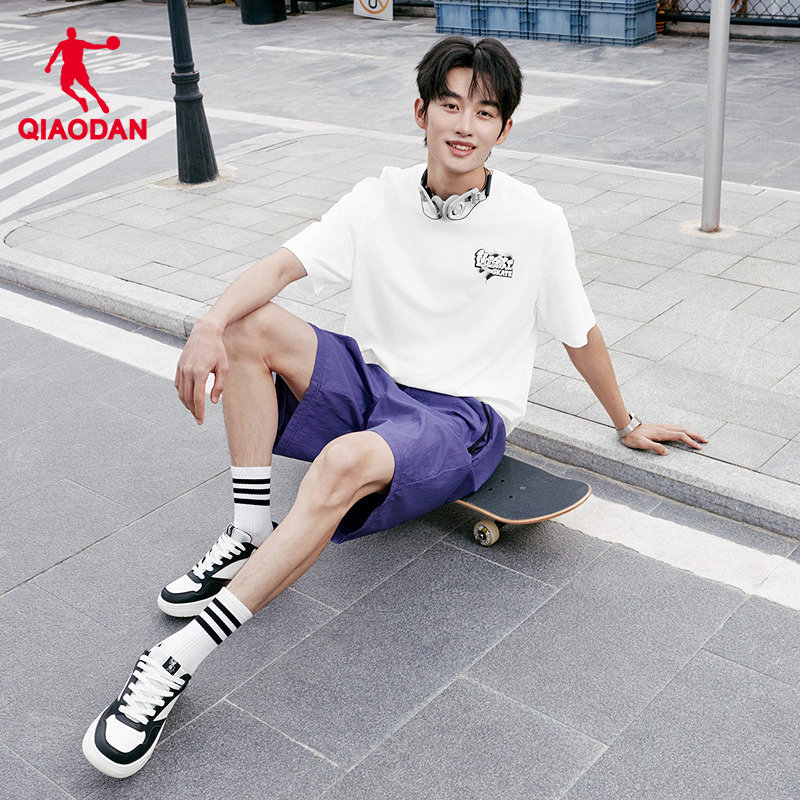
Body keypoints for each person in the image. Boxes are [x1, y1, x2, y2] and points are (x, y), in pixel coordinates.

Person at [82, 35, 706, 778]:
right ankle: (250, 529)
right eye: (451, 104)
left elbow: (580, 333)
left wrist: (626, 423)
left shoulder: (536, 221)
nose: (464, 125)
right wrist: (209, 325)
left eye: (485, 112)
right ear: (421, 112)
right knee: (249, 325)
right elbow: (281, 267)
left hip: (460, 416)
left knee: (342, 463)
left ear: (505, 129)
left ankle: (173, 660)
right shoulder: (377, 197)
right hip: (374, 382)